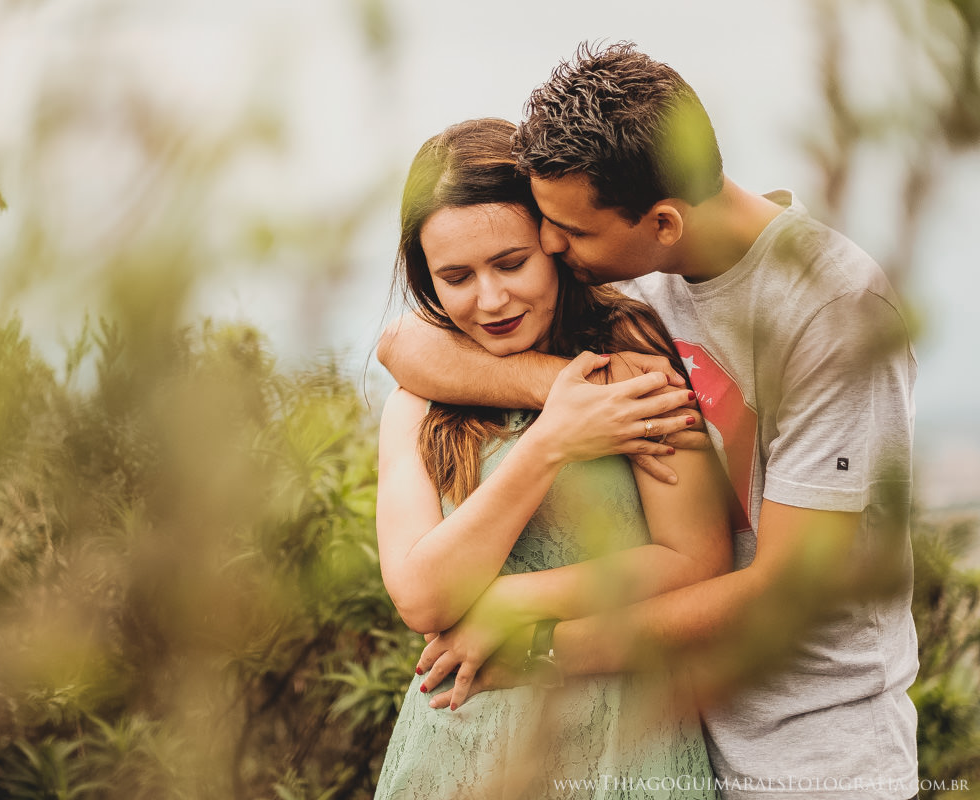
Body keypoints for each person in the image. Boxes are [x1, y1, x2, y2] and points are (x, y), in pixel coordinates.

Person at [383, 43, 920, 800]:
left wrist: (533, 640)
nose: (550, 247)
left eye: (565, 232)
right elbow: (404, 344)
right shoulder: (649, 277)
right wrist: (569, 395)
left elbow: (786, 590)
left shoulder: (832, 310)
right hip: (680, 738)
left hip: (812, 755)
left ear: (662, 222)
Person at [373, 117, 732, 799]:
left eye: (512, 264)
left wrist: (506, 607)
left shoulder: (630, 359)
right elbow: (421, 596)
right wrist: (551, 440)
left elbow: (695, 558)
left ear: (553, 242)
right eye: (456, 276)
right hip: (462, 753)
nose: (492, 299)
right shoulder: (417, 403)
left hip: (623, 742)